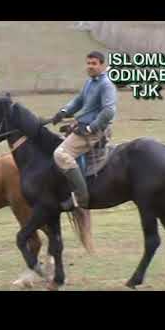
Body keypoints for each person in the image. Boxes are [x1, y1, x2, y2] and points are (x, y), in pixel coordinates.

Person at [52, 51, 118, 210]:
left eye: (94, 63)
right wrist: (64, 112)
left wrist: (90, 127)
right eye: (88, 63)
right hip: (82, 126)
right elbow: (79, 100)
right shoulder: (90, 82)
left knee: (60, 154)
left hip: (95, 131)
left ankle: (81, 198)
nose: (90, 66)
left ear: (102, 65)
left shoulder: (106, 85)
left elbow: (109, 111)